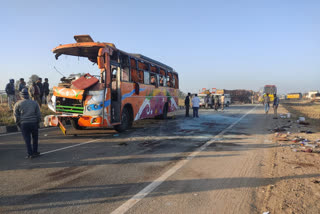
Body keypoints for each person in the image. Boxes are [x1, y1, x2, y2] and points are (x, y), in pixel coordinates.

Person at [13, 88, 41, 159]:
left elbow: (16, 116)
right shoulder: (34, 103)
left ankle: (30, 153)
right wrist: (38, 122)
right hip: (34, 123)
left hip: (24, 124)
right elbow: (38, 115)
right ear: (28, 95)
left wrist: (18, 124)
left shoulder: (17, 104)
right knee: (35, 138)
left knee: (27, 140)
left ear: (21, 95)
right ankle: (35, 152)